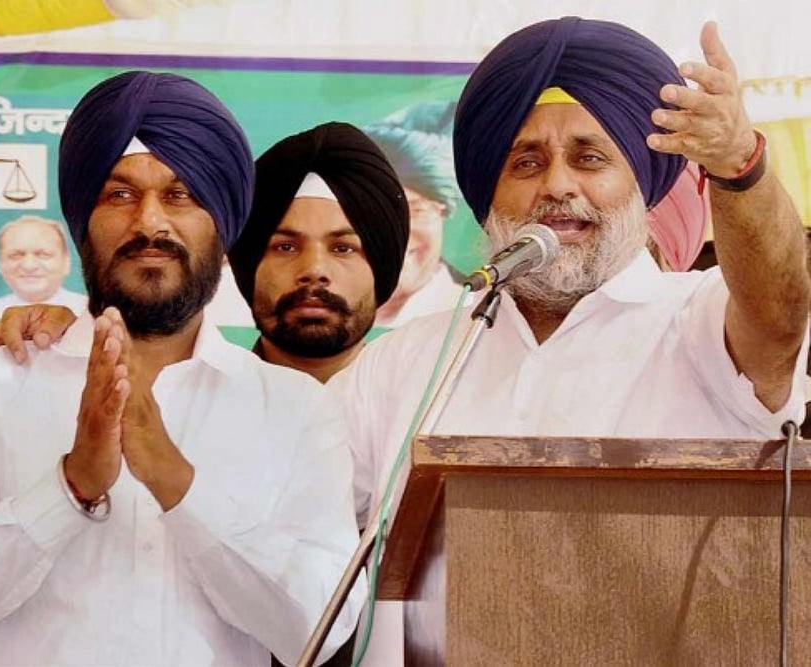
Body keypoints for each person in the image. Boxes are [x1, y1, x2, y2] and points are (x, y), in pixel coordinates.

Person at [332, 18, 810, 664]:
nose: (557, 185)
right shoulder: (406, 361)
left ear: (641, 186)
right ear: (488, 196)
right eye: (526, 162)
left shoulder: (696, 321)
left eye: (589, 158)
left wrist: (739, 167)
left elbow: (779, 313)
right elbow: (297, 518)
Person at [0, 71, 363, 666]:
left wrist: (175, 480)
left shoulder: (295, 409)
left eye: (180, 195)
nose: (149, 222)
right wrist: (69, 487)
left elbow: (321, 630)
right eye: (120, 195)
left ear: (223, 226)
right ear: (84, 222)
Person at [228, 121, 410, 383]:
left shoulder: (427, 405)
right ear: (248, 268)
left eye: (342, 248)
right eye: (286, 247)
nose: (314, 270)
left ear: (381, 271)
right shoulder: (190, 405)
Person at [361, 101, 468, 327]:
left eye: (416, 210)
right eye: (374, 211)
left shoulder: (478, 312)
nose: (395, 233)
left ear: (442, 211)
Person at [0, 215, 87, 320]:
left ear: (66, 262)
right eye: (16, 255)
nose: (29, 266)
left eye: (43, 254)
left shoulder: (90, 314)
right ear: (0, 264)